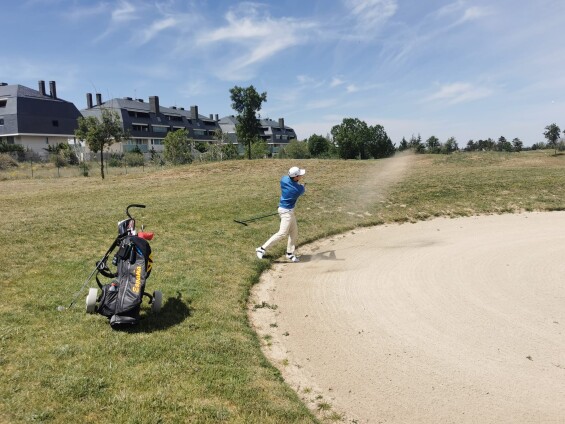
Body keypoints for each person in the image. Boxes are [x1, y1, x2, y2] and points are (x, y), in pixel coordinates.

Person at [256, 166, 306, 262]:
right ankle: (261, 249)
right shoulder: (297, 190)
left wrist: (299, 184)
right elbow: (302, 189)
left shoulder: (284, 179)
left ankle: (290, 253)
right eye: (300, 175)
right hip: (286, 212)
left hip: (287, 210)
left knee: (294, 232)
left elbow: (294, 183)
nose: (301, 176)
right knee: (282, 233)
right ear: (295, 177)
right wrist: (303, 186)